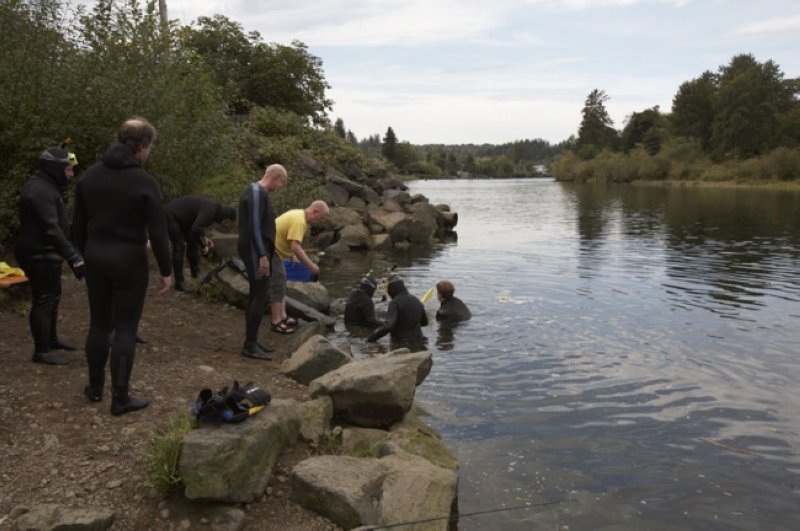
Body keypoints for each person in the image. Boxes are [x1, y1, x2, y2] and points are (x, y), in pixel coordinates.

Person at [72, 117, 173, 415]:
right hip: (130, 261)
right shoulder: (145, 182)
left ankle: (94, 389)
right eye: (149, 147)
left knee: (99, 323)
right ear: (141, 147)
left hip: (96, 258)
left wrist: (87, 252)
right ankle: (120, 398)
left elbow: (77, 226)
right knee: (126, 328)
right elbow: (158, 232)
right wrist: (167, 271)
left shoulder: (89, 176)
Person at [14, 147, 85, 365]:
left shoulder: (46, 187)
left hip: (46, 252)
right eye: (68, 169)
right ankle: (41, 351)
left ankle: (51, 339)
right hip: (38, 253)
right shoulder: (39, 190)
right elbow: (50, 228)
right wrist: (74, 257)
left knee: (53, 296)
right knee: (44, 299)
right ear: (55, 168)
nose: (71, 174)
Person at [237, 164, 288, 359]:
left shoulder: (256, 192)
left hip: (254, 249)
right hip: (254, 250)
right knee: (260, 295)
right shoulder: (257, 192)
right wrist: (262, 255)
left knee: (256, 294)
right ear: (275, 177)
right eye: (281, 182)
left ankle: (253, 340)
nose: (280, 186)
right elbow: (255, 226)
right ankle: (249, 345)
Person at [269, 200, 330, 333]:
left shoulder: (298, 215)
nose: (322, 221)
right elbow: (295, 246)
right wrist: (310, 266)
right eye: (322, 218)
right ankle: (276, 322)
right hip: (270, 252)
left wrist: (291, 256)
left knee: (281, 284)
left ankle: (283, 316)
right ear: (314, 211)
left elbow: (286, 238)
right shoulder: (300, 222)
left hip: (276, 252)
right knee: (278, 286)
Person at [164, 195, 236, 292]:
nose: (225, 224)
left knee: (192, 242)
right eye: (227, 222)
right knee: (179, 246)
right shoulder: (211, 211)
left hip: (184, 219)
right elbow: (195, 229)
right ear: (225, 218)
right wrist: (203, 246)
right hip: (171, 214)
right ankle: (179, 282)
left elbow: (198, 227)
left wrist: (204, 239)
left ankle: (195, 275)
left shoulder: (214, 210)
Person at [367, 276, 428, 343]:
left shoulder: (395, 303)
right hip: (419, 340)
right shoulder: (417, 300)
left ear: (392, 289)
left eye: (388, 289)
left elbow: (388, 326)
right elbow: (425, 322)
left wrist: (370, 340)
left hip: (401, 342)